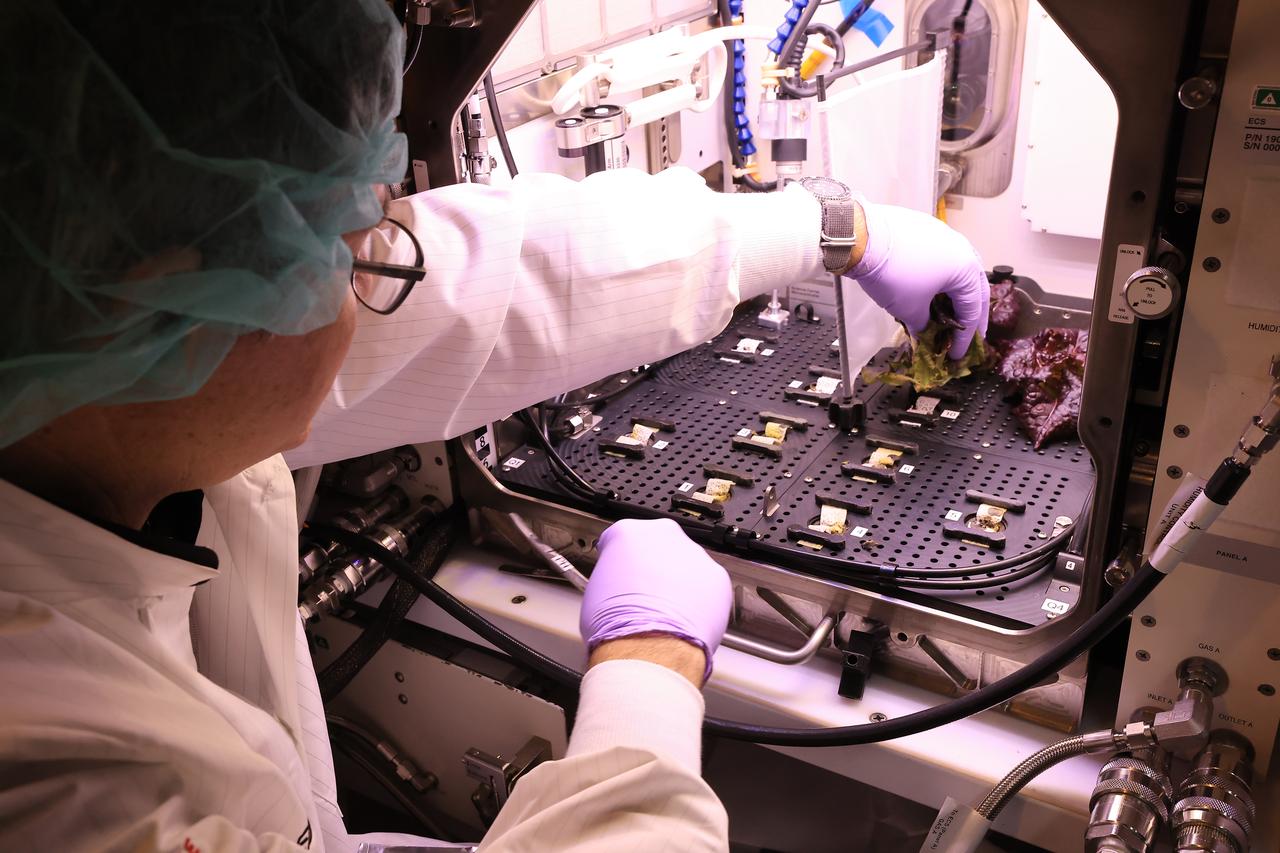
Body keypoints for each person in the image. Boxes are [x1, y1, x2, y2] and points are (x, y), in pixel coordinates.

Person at [0, 2, 990, 852]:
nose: (380, 276)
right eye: (345, 249)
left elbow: (484, 286)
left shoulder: (94, 381)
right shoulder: (60, 780)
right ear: (164, 306)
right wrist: (647, 670)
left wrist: (827, 226)